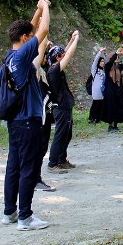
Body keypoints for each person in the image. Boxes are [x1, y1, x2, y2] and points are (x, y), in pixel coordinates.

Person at [2, 0, 52, 231]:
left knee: (13, 166)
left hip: (14, 121)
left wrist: (37, 9)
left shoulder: (10, 57)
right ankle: (25, 217)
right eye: (28, 37)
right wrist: (46, 8)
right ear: (24, 39)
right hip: (29, 121)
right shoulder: (23, 57)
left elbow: (31, 30)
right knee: (29, 168)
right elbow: (43, 30)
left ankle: (9, 212)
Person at [47, 31, 80, 173]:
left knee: (67, 134)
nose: (63, 56)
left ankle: (61, 159)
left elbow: (64, 53)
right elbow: (68, 55)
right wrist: (77, 40)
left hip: (65, 105)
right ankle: (52, 163)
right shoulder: (53, 70)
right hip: (60, 107)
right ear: (56, 58)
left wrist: (71, 40)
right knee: (60, 134)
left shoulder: (54, 67)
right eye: (60, 55)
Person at [34, 38, 57, 191]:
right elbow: (38, 55)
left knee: (42, 149)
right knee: (38, 149)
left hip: (46, 118)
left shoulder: (44, 72)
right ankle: (34, 179)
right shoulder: (35, 73)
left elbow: (50, 59)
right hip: (39, 120)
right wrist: (42, 37)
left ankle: (35, 177)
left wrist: (48, 45)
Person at [102, 47, 123, 132]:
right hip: (110, 92)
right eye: (115, 57)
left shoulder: (118, 67)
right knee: (110, 108)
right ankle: (110, 126)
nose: (117, 58)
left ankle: (115, 125)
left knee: (117, 107)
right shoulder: (107, 67)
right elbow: (110, 63)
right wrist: (116, 54)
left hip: (118, 91)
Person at [89, 49, 105, 124]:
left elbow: (107, 62)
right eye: (101, 61)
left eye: (103, 61)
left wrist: (104, 54)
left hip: (102, 91)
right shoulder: (94, 70)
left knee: (101, 105)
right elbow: (95, 62)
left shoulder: (104, 70)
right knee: (95, 104)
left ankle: (98, 119)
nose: (103, 63)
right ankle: (91, 118)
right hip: (96, 91)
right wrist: (100, 52)